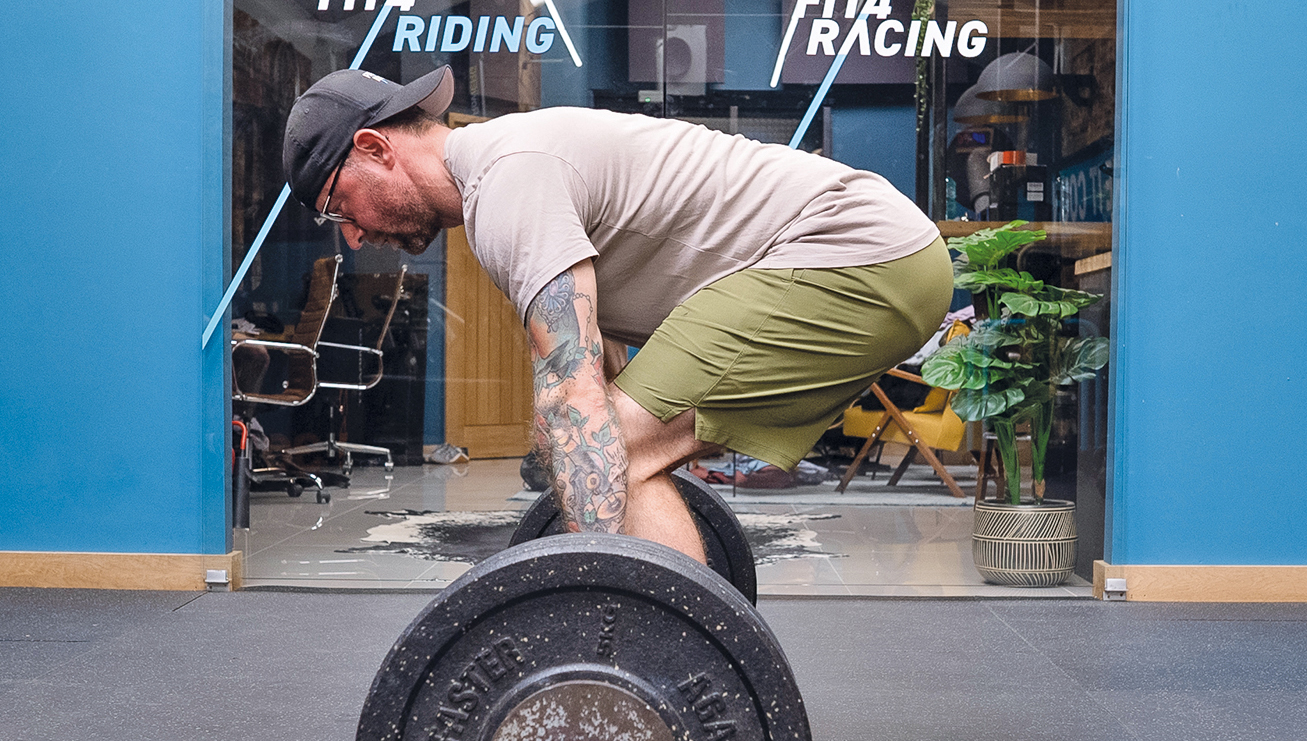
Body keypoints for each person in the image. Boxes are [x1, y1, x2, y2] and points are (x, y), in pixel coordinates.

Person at [279, 65, 953, 565]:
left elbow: (576, 403)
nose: (353, 237)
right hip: (870, 255)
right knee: (600, 448)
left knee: (601, 449)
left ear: (375, 148)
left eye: (339, 206)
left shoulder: (510, 178)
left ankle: (675, 658)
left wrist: (589, 594)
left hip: (855, 253)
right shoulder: (498, 186)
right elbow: (597, 370)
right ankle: (686, 659)